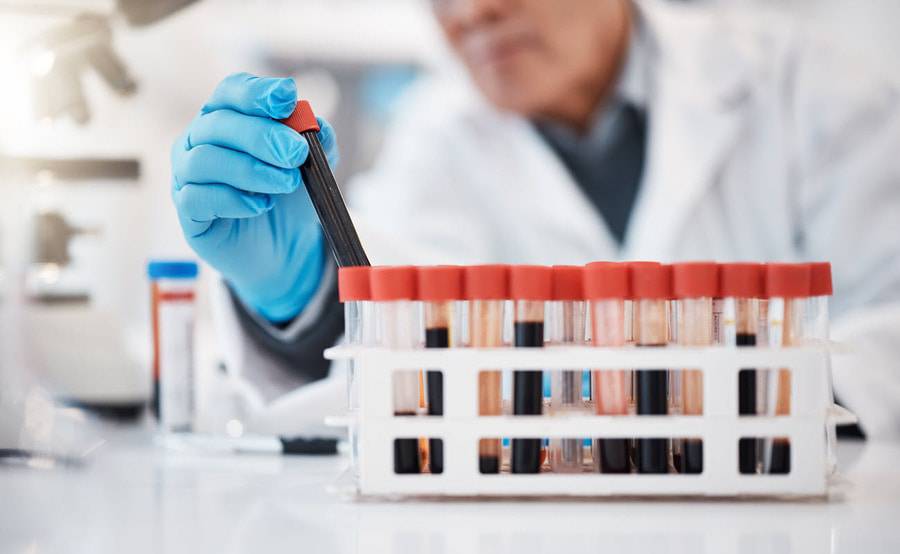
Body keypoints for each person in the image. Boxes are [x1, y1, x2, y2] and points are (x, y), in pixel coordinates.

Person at [171, 0, 900, 438]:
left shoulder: (814, 91)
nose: (470, 13)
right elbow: (400, 355)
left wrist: (728, 394)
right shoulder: (437, 139)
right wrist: (302, 299)